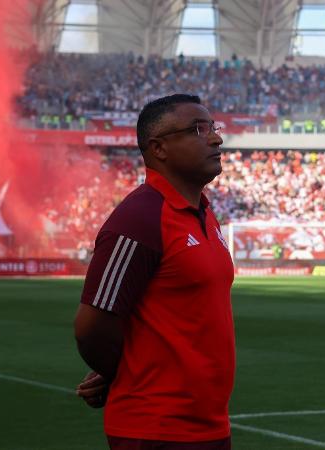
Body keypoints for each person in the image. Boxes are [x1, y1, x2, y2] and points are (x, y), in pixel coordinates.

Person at [74, 94, 236, 450]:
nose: (216, 138)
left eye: (214, 127)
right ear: (159, 148)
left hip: (209, 425)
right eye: (199, 129)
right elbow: (91, 327)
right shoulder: (140, 219)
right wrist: (124, 372)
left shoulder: (204, 213)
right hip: (155, 430)